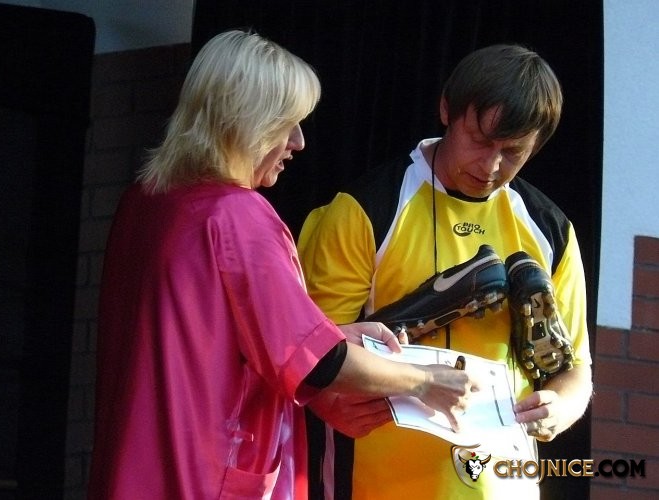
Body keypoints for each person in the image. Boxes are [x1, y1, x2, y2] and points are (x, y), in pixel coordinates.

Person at [87, 30, 480, 500]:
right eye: (287, 124)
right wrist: (426, 382)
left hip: (135, 472)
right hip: (201, 479)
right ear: (246, 123)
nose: (298, 142)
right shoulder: (239, 216)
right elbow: (319, 364)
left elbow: (205, 337)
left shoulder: (144, 203)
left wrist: (332, 333)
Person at [298, 44, 593, 499]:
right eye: (480, 140)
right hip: (380, 482)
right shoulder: (366, 209)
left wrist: (561, 407)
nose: (491, 165)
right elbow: (306, 349)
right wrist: (326, 402)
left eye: (513, 151)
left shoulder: (551, 229)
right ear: (446, 110)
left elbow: (577, 370)